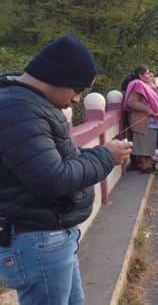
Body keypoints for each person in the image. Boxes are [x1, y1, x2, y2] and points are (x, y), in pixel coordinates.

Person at [0, 35, 133, 303]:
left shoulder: (29, 103)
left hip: (50, 236)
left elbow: (57, 160)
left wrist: (99, 154)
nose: (75, 99)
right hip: (38, 240)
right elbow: (54, 178)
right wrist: (106, 156)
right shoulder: (18, 109)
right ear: (57, 77)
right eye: (77, 89)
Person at [123, 65, 158, 174]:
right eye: (146, 73)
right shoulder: (138, 85)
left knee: (149, 143)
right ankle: (144, 165)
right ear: (140, 75)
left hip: (151, 120)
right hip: (143, 120)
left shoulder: (146, 86)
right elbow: (131, 102)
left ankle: (147, 163)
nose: (149, 75)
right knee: (142, 144)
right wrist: (146, 109)